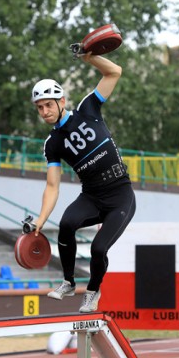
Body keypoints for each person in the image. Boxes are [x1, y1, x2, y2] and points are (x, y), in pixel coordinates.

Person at [30, 53, 136, 313]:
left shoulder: (89, 109)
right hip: (91, 196)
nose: (44, 111)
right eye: (40, 107)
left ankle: (92, 292)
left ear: (61, 101)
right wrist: (39, 221)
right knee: (66, 224)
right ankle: (68, 282)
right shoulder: (52, 144)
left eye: (48, 105)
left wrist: (90, 56)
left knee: (99, 248)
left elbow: (114, 72)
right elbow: (52, 186)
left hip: (120, 196)